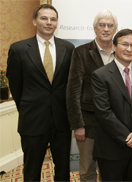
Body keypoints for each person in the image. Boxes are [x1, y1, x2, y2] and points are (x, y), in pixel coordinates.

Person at [6, 4, 74, 181]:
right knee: (32, 169)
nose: (49, 22)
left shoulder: (68, 48)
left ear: (57, 23)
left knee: (63, 169)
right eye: (44, 18)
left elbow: (70, 84)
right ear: (34, 21)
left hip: (61, 120)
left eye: (53, 19)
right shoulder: (19, 49)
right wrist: (29, 108)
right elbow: (16, 85)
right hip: (32, 120)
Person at [91, 29, 132, 181]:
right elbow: (104, 112)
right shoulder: (100, 75)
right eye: (124, 44)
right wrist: (128, 137)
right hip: (112, 147)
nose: (129, 49)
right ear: (114, 47)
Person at [66, 10, 117, 182]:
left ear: (115, 29)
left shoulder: (122, 52)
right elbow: (73, 91)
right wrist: (77, 125)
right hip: (88, 124)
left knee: (110, 169)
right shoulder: (81, 52)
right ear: (95, 28)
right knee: (87, 170)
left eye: (110, 25)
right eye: (102, 25)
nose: (106, 29)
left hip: (116, 124)